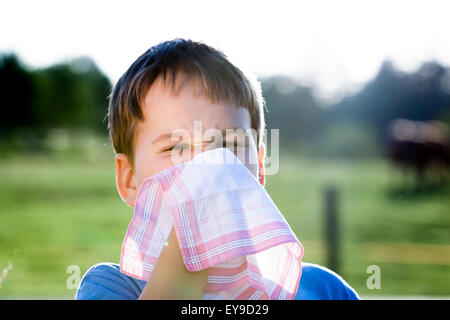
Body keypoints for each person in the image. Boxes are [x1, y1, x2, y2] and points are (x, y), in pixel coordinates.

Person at [76, 38, 359, 300]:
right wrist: (190, 248)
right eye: (175, 148)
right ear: (129, 180)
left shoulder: (322, 290)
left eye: (228, 146)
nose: (208, 168)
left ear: (258, 170)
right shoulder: (111, 287)